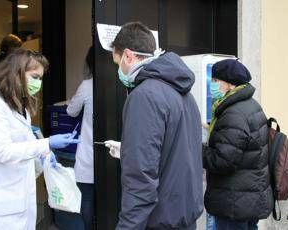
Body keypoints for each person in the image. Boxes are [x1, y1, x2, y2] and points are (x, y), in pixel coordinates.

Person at [105, 22, 204, 229]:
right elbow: (176, 153)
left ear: (128, 56)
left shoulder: (144, 96)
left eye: (118, 63)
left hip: (159, 220)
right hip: (183, 216)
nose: (120, 69)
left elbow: (141, 178)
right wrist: (129, 151)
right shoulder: (184, 94)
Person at [0, 49, 79, 230]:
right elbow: (2, 151)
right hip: (2, 207)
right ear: (16, 72)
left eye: (40, 79)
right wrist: (46, 143)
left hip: (22, 202)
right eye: (34, 76)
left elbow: (25, 149)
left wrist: (44, 158)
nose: (38, 84)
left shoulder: (20, 107)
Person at [202, 59, 274, 230]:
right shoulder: (250, 105)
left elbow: (223, 161)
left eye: (216, 80)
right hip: (248, 199)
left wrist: (196, 149)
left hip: (234, 203)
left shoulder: (233, 113)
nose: (212, 85)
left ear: (231, 84)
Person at [66, 46, 94, 230]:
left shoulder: (87, 85)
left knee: (87, 202)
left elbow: (70, 111)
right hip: (114, 156)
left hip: (88, 158)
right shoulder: (122, 86)